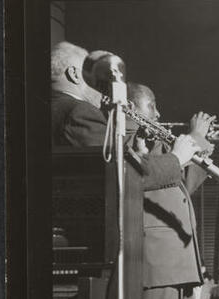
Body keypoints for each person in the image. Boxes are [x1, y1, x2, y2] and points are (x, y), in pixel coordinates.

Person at [127, 81, 215, 299]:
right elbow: (140, 176)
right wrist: (192, 140)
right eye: (152, 105)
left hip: (177, 265)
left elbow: (180, 188)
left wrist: (201, 145)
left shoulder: (156, 147)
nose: (159, 113)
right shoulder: (126, 139)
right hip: (158, 264)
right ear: (131, 107)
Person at [51, 43, 206, 192]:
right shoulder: (78, 111)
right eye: (94, 77)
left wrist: (140, 151)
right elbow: (119, 174)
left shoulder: (56, 108)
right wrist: (177, 157)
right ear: (74, 74)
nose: (102, 89)